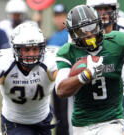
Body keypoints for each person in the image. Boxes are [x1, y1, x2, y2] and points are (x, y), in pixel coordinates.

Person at [55, 5, 124, 135]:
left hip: (112, 118)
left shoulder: (117, 42)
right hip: (82, 122)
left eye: (91, 27)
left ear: (99, 24)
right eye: (81, 31)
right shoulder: (67, 52)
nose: (89, 34)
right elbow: (60, 90)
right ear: (73, 33)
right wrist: (84, 76)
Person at [86, 0, 124, 135]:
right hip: (91, 98)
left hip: (120, 94)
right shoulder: (81, 31)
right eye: (99, 9)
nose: (103, 14)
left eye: (107, 8)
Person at [0, 22, 58, 135]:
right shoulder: (5, 62)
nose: (31, 54)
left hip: (43, 119)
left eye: (35, 49)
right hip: (14, 121)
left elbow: (62, 79)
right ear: (16, 49)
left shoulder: (49, 60)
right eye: (26, 50)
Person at [47, 4, 71, 135]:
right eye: (56, 16)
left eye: (61, 16)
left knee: (66, 117)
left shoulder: (70, 35)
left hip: (68, 81)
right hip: (55, 82)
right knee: (59, 116)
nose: (58, 19)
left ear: (66, 17)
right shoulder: (51, 38)